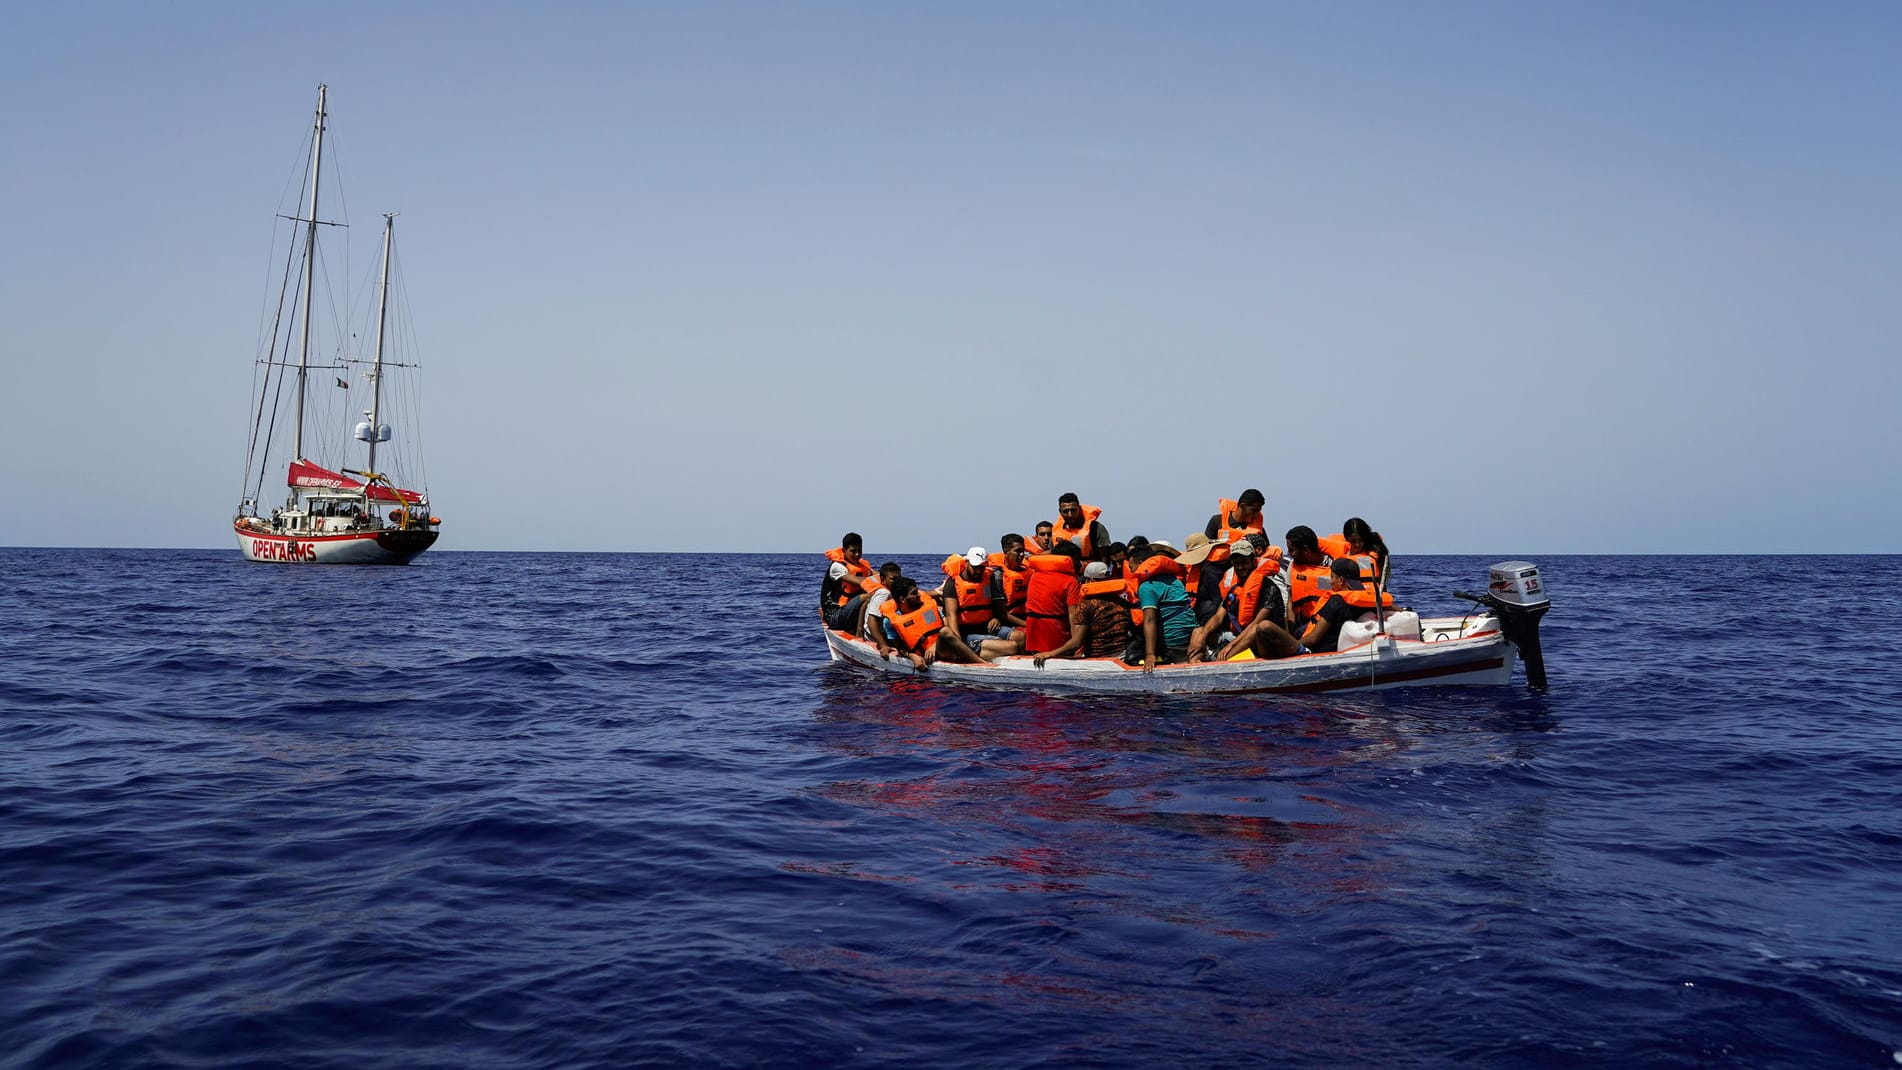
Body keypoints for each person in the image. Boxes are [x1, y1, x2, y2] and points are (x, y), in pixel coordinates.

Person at [1033, 560, 1134, 667]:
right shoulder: (1123, 602)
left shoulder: (1086, 605)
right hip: (1123, 656)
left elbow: (1076, 643)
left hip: (1099, 660)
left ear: (1089, 581)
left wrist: (1049, 654)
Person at [1299, 557, 1398, 653]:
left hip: (1326, 652)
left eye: (1332, 577)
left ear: (1341, 580)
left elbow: (1313, 639)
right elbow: (1395, 608)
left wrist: (1295, 646)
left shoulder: (1336, 601)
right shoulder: (1371, 601)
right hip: (1354, 649)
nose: (1331, 582)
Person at [1130, 547, 1200, 671]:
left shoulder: (1147, 587)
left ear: (1141, 564)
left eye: (1132, 567)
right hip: (1190, 636)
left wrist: (1150, 655)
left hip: (1171, 643)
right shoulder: (1174, 581)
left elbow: (1149, 620)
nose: (1131, 572)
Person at [936, 547, 1007, 664]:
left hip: (986, 626)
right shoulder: (953, 583)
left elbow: (997, 607)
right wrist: (959, 646)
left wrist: (996, 618)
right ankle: (973, 656)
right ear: (967, 562)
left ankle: (983, 651)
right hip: (966, 632)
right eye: (975, 567)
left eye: (982, 567)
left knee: (1020, 638)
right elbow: (951, 617)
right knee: (1011, 646)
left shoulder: (989, 578)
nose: (978, 571)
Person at [1019, 540, 1083, 655]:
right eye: (1078, 559)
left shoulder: (1035, 576)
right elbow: (1073, 616)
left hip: (1033, 639)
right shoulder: (1071, 581)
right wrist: (1076, 647)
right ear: (1069, 560)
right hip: (1056, 641)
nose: (1080, 564)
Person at [877, 577, 944, 669]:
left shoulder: (926, 610)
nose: (919, 595)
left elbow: (943, 629)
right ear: (902, 599)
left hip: (941, 647)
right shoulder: (890, 621)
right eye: (914, 593)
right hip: (919, 652)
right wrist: (912, 656)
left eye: (917, 591)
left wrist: (934, 646)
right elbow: (899, 646)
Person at [1283, 525, 1334, 634]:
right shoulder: (1293, 567)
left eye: (1292, 550)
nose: (1289, 554)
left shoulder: (1332, 566)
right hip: (1301, 628)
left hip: (1327, 627)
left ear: (1306, 550)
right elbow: (1290, 604)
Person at [820, 533, 875, 628]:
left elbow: (879, 576)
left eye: (859, 550)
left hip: (853, 612)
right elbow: (859, 581)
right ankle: (860, 630)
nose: (857, 554)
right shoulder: (837, 567)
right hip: (834, 615)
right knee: (868, 596)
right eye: (853, 551)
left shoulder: (863, 566)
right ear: (844, 551)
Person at [1203, 489, 1270, 566]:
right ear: (1242, 506)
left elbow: (1266, 552)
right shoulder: (1217, 521)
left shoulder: (1258, 530)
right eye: (1254, 510)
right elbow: (1205, 549)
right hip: (1219, 567)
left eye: (1259, 511)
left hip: (1245, 570)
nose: (1256, 515)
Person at [1319, 518, 1391, 586]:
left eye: (1361, 540)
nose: (1358, 544)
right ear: (1346, 539)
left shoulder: (1373, 555)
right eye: (1353, 541)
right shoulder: (1330, 557)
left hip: (1365, 594)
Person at [1049, 492, 1111, 562]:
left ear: (1079, 508)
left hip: (1089, 569)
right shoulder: (1055, 531)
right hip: (1063, 568)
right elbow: (1051, 553)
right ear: (1060, 512)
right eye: (1065, 511)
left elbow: (1104, 558)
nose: (1070, 515)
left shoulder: (1095, 528)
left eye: (1073, 510)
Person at [855, 561, 906, 643]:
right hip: (874, 636)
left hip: (886, 631)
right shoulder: (884, 593)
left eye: (899, 579)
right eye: (893, 579)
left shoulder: (895, 592)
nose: (897, 582)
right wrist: (883, 645)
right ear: (883, 580)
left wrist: (860, 627)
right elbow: (871, 621)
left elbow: (865, 605)